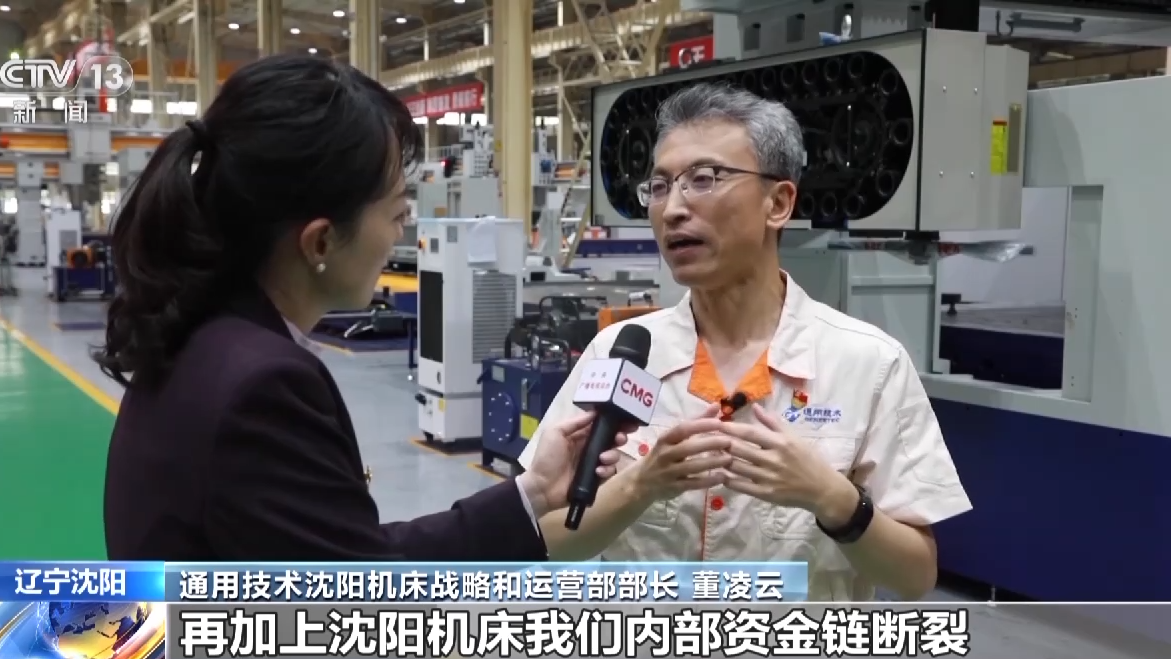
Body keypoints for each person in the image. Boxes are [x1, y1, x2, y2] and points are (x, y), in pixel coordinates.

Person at [97, 55, 643, 561]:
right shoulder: (264, 386)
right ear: (320, 241)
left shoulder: (198, 337)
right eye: (397, 213)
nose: (401, 233)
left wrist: (534, 491)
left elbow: (342, 553)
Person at [519, 83, 972, 601]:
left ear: (777, 203)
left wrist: (831, 497)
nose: (672, 209)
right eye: (660, 186)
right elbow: (551, 542)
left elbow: (915, 576)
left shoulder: (868, 364)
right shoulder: (618, 353)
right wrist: (640, 486)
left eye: (704, 179)